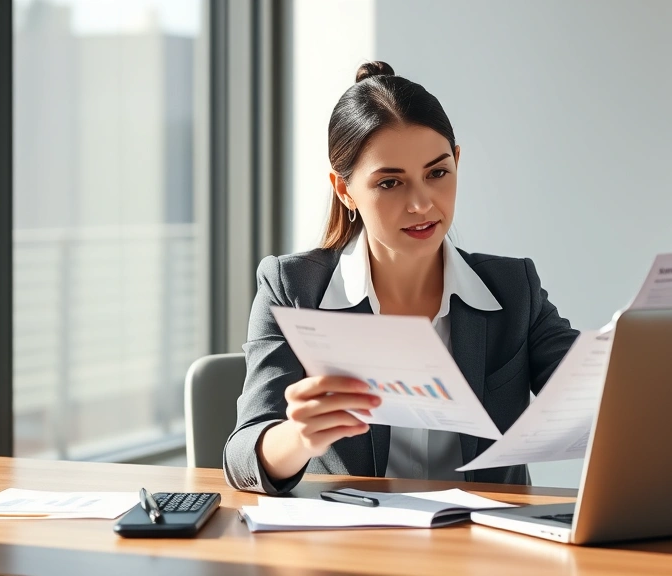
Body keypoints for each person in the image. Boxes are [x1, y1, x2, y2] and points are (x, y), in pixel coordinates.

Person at [223, 61, 579, 494]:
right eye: (390, 183)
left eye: (437, 173)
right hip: (355, 546)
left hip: (482, 548)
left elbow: (594, 393)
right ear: (344, 189)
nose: (421, 203)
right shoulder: (293, 289)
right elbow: (241, 457)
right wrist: (297, 438)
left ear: (457, 162)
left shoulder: (512, 289)